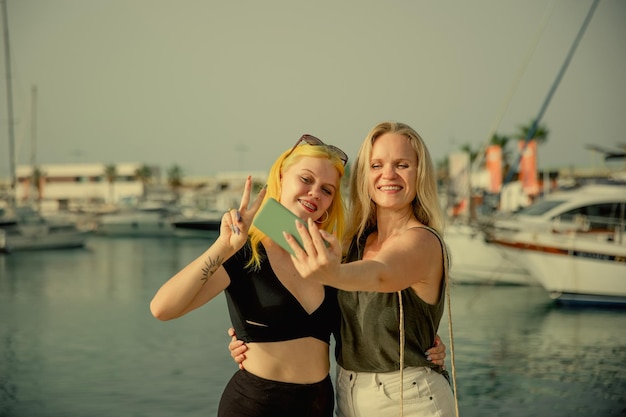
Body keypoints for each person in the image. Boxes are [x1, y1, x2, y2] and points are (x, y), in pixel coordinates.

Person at [227, 122, 454, 417]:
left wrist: (333, 275)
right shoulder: (351, 244)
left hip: (409, 398)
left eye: (403, 165)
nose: (388, 174)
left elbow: (381, 273)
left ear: (419, 173)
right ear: (364, 175)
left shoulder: (422, 241)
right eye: (376, 165)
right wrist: (252, 335)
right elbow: (274, 235)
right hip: (346, 397)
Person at [150, 134, 349, 416]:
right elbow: (162, 309)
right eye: (306, 180)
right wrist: (222, 247)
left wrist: (429, 347)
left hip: (318, 405)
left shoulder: (330, 258)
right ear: (281, 176)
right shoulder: (245, 254)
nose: (315, 193)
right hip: (254, 405)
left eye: (327, 190)